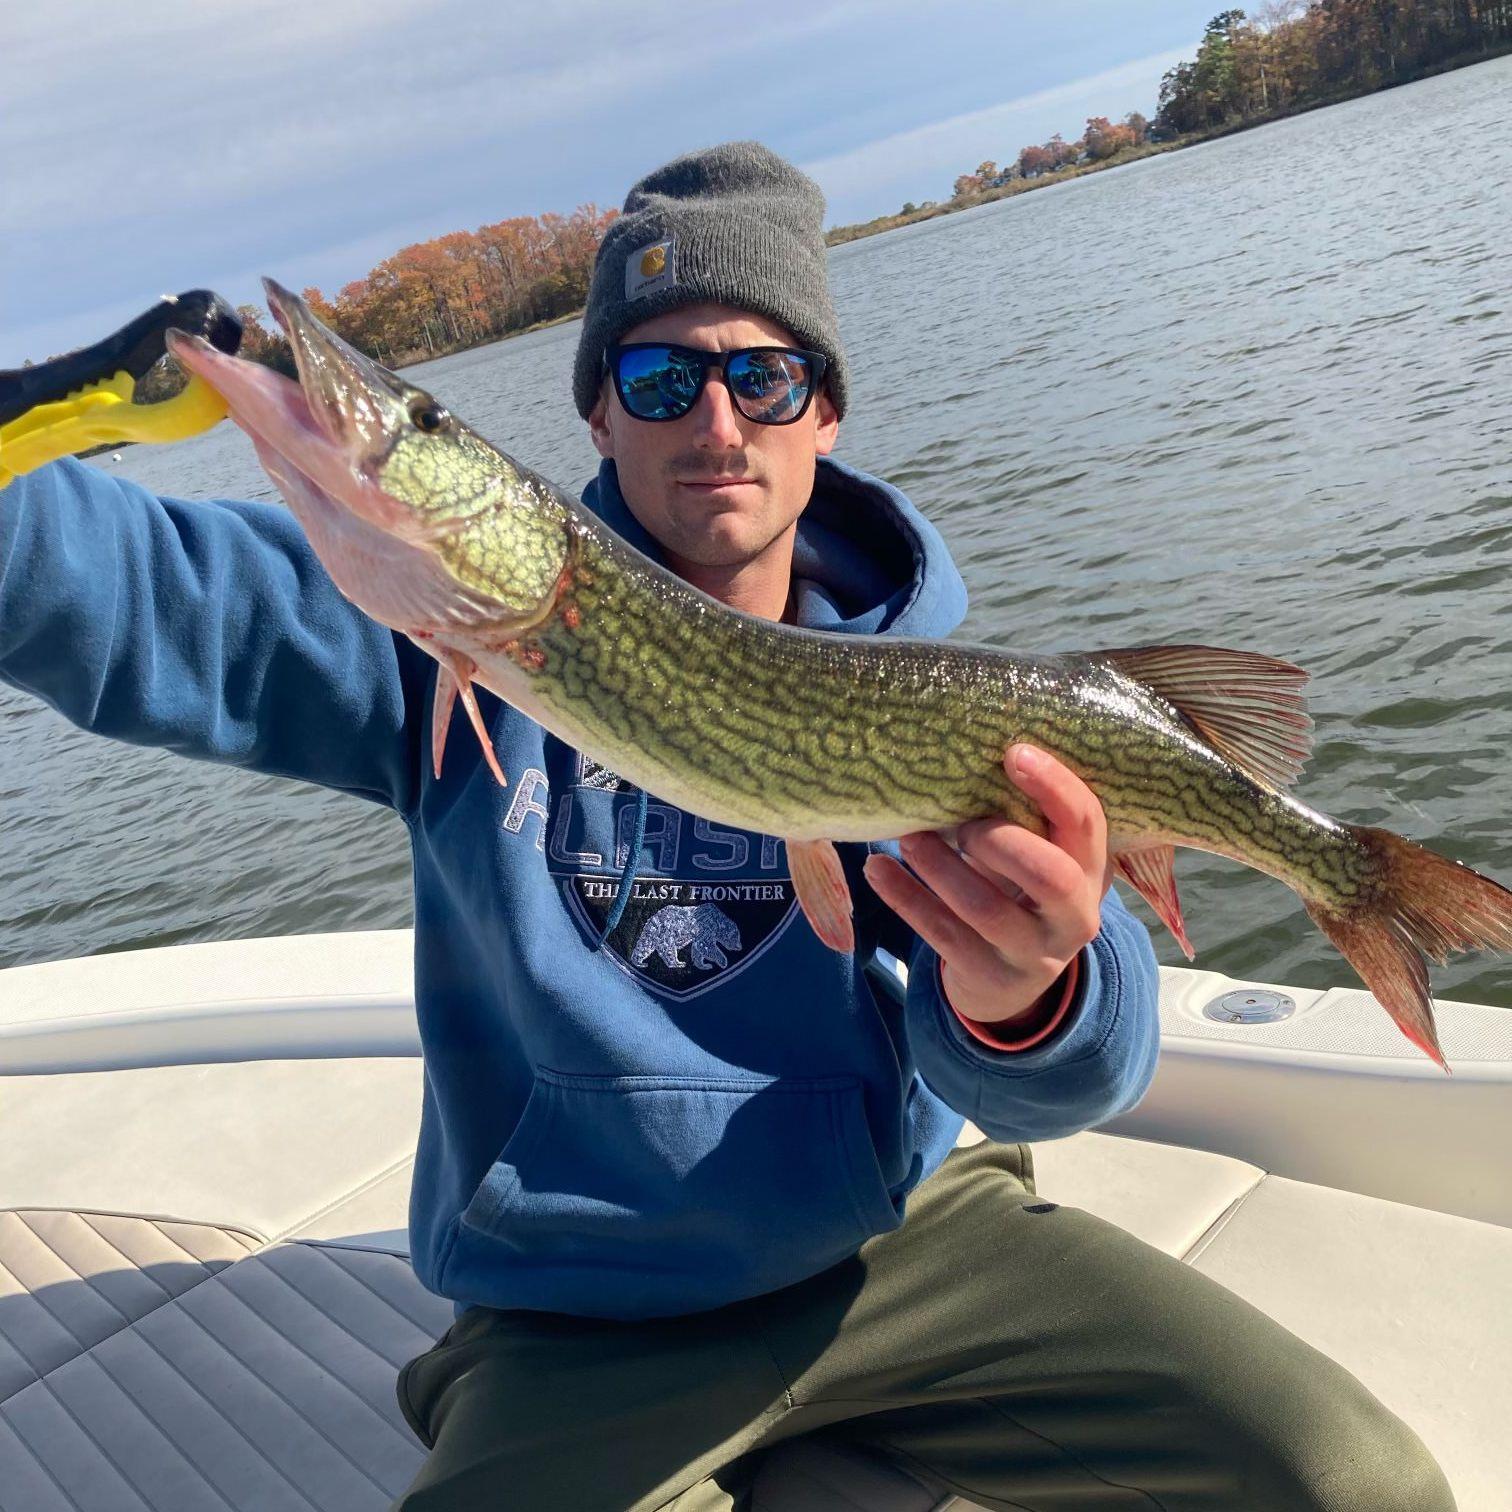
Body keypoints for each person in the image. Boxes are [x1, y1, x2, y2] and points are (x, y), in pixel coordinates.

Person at [0, 143, 1450, 1512]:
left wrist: (1029, 994)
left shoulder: (927, 691)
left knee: (1354, 1482)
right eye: (660, 375)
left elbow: (1076, 1077)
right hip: (581, 1313)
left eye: (764, 376)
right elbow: (104, 585)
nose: (716, 422)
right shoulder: (414, 635)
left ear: (824, 412)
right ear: (596, 414)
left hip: (908, 1245)